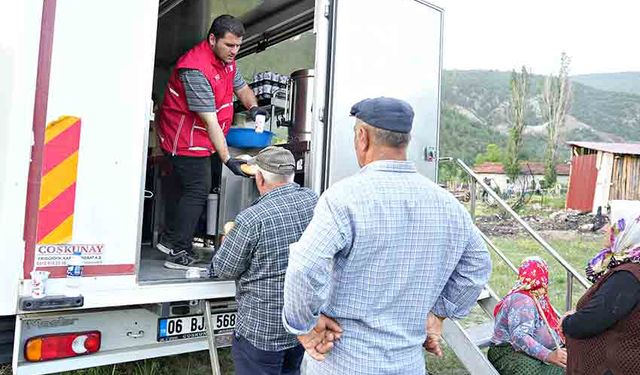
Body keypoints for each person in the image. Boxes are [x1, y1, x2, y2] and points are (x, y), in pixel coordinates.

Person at [281, 97, 492, 375]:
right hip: (409, 365)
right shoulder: (449, 206)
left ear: (362, 136)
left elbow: (305, 267)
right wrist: (438, 314)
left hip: (344, 363)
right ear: (405, 140)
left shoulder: (344, 199)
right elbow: (477, 264)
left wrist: (303, 326)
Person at [155, 15, 267, 270]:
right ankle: (178, 252)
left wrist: (254, 108)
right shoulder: (194, 69)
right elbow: (210, 121)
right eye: (229, 45)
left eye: (238, 45)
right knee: (197, 187)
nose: (234, 51)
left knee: (190, 188)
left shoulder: (227, 60)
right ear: (212, 39)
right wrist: (228, 159)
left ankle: (170, 238)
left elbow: (242, 88)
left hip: (204, 139)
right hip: (184, 139)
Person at [211, 147, 318, 375]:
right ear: (291, 175)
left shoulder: (252, 219)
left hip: (262, 332)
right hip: (301, 324)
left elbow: (224, 268)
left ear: (259, 178)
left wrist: (228, 239)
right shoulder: (314, 202)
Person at [561, 212, 640, 375]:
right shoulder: (628, 270)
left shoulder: (627, 277)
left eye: (611, 224)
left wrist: (567, 322)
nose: (605, 229)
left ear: (627, 233)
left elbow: (592, 320)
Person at [488, 256, 566, 375]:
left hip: (526, 350)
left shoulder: (540, 298)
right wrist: (549, 355)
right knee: (533, 370)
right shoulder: (522, 299)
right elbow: (520, 337)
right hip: (507, 351)